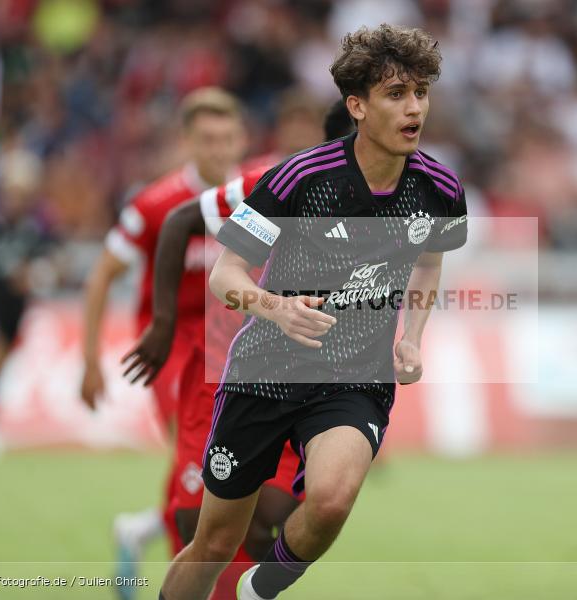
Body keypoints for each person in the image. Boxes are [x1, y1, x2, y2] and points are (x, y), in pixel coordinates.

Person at [157, 24, 468, 600]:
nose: (414, 107)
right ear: (357, 105)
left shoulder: (442, 189)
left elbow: (429, 262)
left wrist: (412, 334)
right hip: (265, 370)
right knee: (214, 544)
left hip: (354, 375)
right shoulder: (299, 178)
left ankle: (261, 588)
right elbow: (226, 275)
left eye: (421, 92)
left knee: (331, 500)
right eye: (396, 94)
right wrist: (277, 309)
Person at [121, 100, 354, 599]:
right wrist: (162, 323)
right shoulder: (271, 181)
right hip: (227, 371)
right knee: (201, 524)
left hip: (306, 381)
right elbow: (183, 219)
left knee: (277, 517)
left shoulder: (388, 196)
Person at [78, 87, 247, 598]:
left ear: (240, 138)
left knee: (238, 464)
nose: (218, 149)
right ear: (187, 141)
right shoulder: (155, 205)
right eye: (207, 139)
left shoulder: (255, 197)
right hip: (171, 347)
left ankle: (140, 530)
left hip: (231, 346)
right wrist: (90, 361)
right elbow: (102, 274)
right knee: (202, 455)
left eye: (226, 138)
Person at [0, 143, 51, 458]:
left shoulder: (33, 230)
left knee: (5, 359)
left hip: (17, 305)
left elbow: (48, 264)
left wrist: (32, 275)